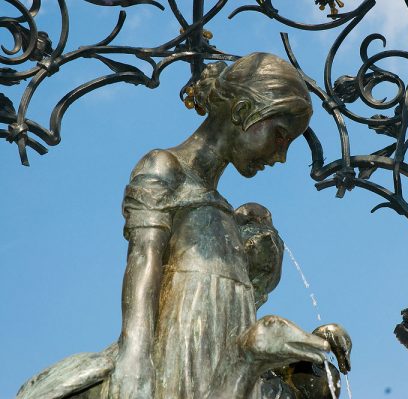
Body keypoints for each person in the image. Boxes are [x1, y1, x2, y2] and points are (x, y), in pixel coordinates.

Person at [108, 53, 313, 399]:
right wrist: (135, 356)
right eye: (280, 136)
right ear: (243, 112)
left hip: (221, 365)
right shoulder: (163, 167)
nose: (281, 156)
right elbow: (144, 260)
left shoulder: (229, 215)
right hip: (179, 355)